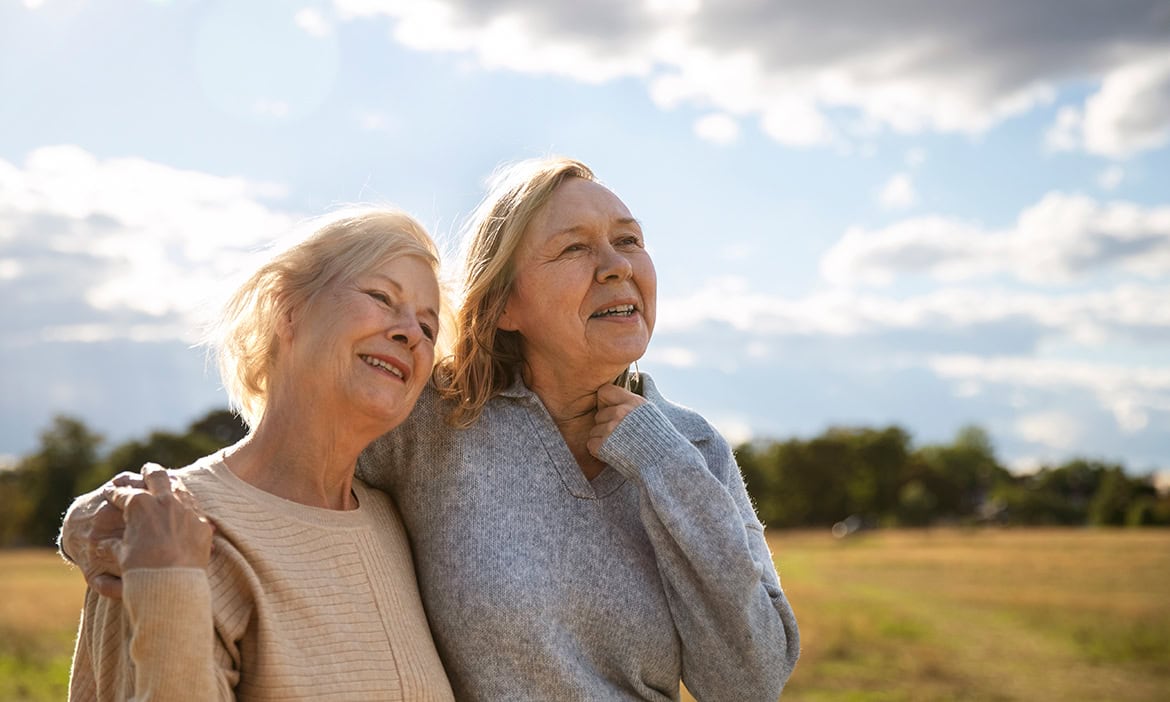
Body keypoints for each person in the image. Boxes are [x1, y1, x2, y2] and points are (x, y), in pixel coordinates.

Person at [63, 157, 800, 701]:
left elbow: (747, 681)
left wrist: (665, 468)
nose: (615, 267)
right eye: (575, 248)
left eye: (629, 241)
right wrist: (106, 515)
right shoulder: (439, 421)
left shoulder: (691, 447)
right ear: (505, 303)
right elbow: (294, 445)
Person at [65, 208, 456, 701]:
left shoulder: (401, 524)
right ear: (287, 311)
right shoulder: (164, 525)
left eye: (428, 325)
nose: (411, 334)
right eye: (381, 297)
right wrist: (165, 579)